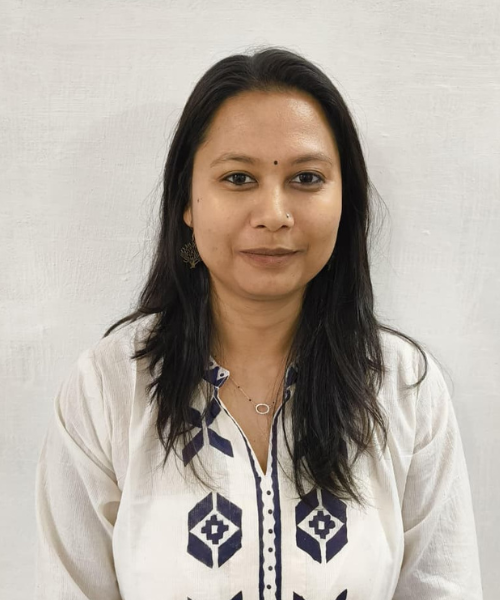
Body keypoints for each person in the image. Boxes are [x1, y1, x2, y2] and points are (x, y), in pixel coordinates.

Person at [34, 46, 483, 599]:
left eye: (307, 178)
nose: (274, 214)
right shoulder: (108, 388)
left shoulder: (402, 388)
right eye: (239, 178)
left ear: (345, 200)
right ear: (187, 201)